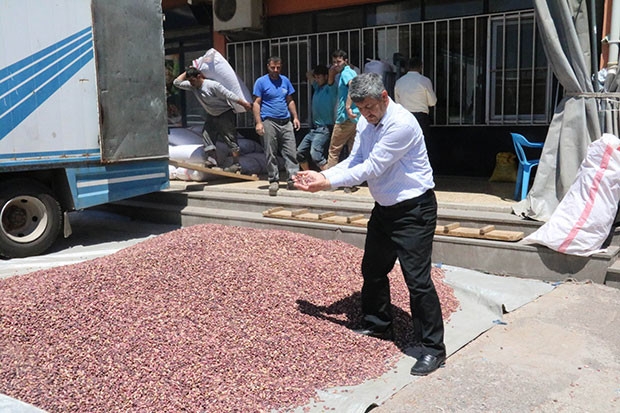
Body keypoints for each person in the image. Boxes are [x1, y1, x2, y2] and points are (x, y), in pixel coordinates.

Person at [293, 72, 446, 376]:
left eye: (371, 108)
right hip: (385, 209)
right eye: (361, 109)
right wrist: (325, 175)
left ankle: (432, 349)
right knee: (373, 269)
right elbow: (356, 158)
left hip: (414, 210)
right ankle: (379, 325)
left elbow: (371, 167)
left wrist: (325, 183)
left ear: (385, 97)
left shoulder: (401, 125)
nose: (366, 114)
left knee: (417, 281)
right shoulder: (365, 121)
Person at [173, 67, 252, 172]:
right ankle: (212, 160)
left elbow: (228, 95)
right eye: (190, 81)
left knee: (230, 137)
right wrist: (188, 70)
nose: (191, 83)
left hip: (225, 114)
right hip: (212, 114)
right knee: (207, 134)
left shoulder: (212, 85)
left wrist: (244, 104)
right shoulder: (193, 86)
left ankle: (236, 164)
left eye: (192, 80)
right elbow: (176, 83)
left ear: (199, 76)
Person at [253, 56, 301, 196]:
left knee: (291, 151)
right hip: (269, 121)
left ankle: (292, 178)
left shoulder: (285, 80)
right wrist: (258, 122)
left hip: (285, 121)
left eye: (278, 67)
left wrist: (295, 117)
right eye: (273, 67)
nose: (275, 70)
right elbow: (256, 103)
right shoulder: (261, 82)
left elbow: (290, 100)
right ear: (268, 66)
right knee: (270, 152)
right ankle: (273, 179)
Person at [296, 64, 337, 171]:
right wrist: (316, 73)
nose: (317, 80)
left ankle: (331, 178)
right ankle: (308, 174)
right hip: (314, 129)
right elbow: (308, 74)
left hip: (325, 128)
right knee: (300, 153)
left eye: (319, 77)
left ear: (326, 77)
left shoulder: (330, 88)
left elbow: (332, 76)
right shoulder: (317, 87)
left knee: (316, 155)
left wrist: (329, 70)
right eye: (316, 77)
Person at [326, 49, 360, 169]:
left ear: (346, 61)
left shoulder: (346, 73)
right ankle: (351, 183)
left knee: (334, 150)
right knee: (353, 151)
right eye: (334, 62)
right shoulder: (350, 72)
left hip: (345, 117)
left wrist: (348, 106)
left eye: (339, 62)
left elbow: (353, 86)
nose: (336, 65)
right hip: (355, 117)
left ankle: (329, 181)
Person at [394, 57, 437, 147]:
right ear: (421, 67)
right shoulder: (425, 81)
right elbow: (432, 102)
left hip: (404, 117)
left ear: (407, 67)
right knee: (422, 145)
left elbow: (397, 103)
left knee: (406, 145)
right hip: (421, 118)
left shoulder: (399, 82)